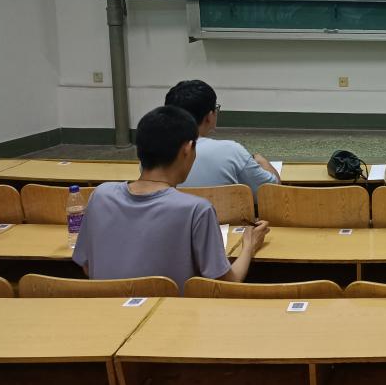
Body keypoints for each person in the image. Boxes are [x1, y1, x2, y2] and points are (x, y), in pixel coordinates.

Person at [72, 105, 270, 292]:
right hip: (172, 315)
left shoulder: (100, 196)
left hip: (105, 311)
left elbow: (88, 267)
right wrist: (249, 245)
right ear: (187, 149)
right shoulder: (196, 210)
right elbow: (224, 285)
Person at [164, 79, 280, 194]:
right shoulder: (231, 151)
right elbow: (271, 191)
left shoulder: (157, 153)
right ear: (209, 116)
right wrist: (262, 160)